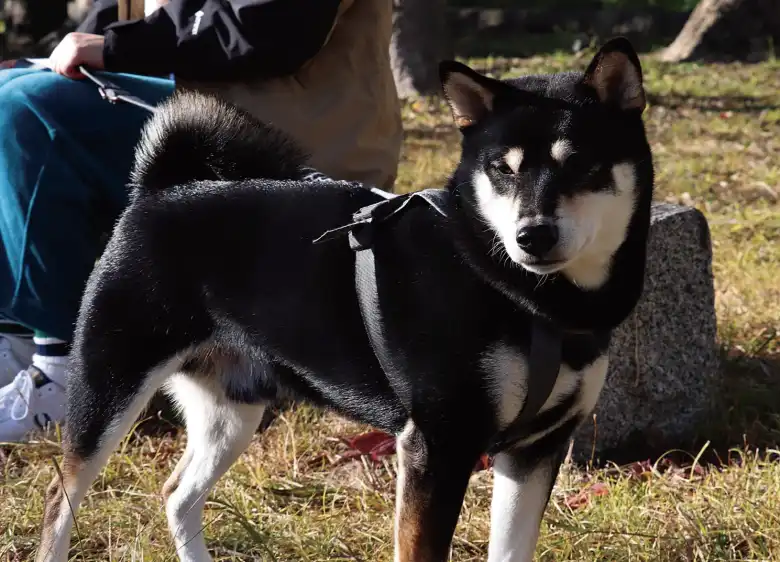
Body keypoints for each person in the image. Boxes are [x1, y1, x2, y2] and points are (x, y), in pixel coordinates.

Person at [0, 0, 402, 442]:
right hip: (197, 100)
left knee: (25, 111)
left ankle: (62, 366)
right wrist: (56, 56)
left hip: (282, 134)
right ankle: (19, 337)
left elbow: (277, 26)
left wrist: (115, 47)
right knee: (12, 88)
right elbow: (123, 12)